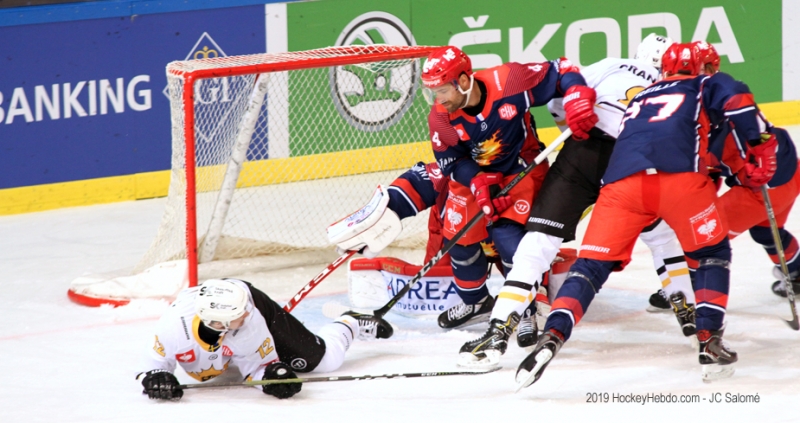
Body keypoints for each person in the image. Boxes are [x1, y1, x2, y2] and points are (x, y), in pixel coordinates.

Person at [516, 42, 778, 388]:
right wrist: (761, 147)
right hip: (679, 183)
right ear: (702, 68)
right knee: (711, 254)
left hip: (621, 186)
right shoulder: (705, 84)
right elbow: (739, 104)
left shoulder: (641, 94)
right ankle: (708, 340)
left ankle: (553, 335)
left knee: (590, 267)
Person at [459, 34, 695, 367]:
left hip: (584, 153)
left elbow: (563, 98)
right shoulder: (680, 89)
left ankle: (497, 331)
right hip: (635, 162)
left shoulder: (613, 64)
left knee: (538, 243)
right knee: (661, 237)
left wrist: (572, 122)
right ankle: (691, 313)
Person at [419, 46, 598, 344]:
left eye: (442, 90)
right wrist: (477, 182)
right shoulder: (441, 117)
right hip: (474, 176)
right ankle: (476, 302)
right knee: (459, 240)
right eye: (433, 92)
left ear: (463, 81)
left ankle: (528, 309)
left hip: (521, 168)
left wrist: (576, 92)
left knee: (509, 239)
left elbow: (560, 70)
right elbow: (451, 161)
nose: (439, 99)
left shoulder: (511, 81)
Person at [644, 41, 800, 301]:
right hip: (789, 171)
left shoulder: (707, 104)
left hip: (764, 185)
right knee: (766, 231)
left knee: (704, 235)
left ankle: (685, 290)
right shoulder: (718, 93)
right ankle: (797, 272)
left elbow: (713, 161)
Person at [136, 278, 392, 400]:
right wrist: (156, 378)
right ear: (220, 323)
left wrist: (271, 378)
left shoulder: (251, 319)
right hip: (218, 302)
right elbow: (152, 366)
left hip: (232, 293)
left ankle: (350, 322)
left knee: (322, 360)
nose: (248, 313)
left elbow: (257, 369)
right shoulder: (173, 328)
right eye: (240, 314)